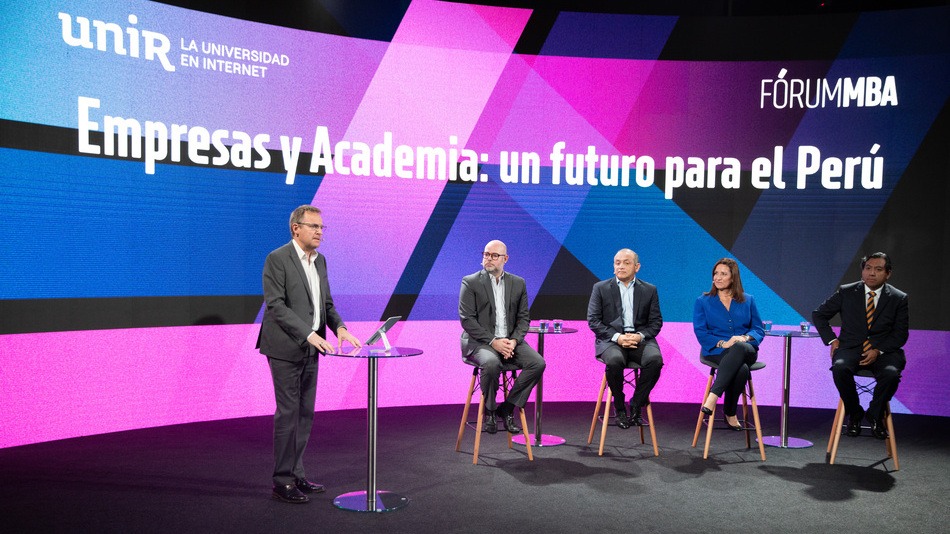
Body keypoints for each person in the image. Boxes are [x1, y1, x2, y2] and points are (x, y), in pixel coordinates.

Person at [257, 205, 362, 504]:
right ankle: (281, 481)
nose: (319, 232)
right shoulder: (277, 259)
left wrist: (339, 328)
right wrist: (309, 334)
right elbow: (276, 306)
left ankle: (297, 473)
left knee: (305, 414)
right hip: (285, 348)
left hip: (313, 349)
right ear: (296, 228)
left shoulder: (320, 261)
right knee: (288, 414)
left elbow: (326, 304)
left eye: (321, 228)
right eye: (313, 226)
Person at [812, 252, 908, 440]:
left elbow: (900, 334)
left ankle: (875, 414)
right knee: (839, 368)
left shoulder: (898, 298)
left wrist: (878, 350)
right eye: (868, 268)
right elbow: (819, 314)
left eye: (878, 269)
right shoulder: (847, 291)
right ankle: (854, 413)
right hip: (851, 348)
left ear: (888, 274)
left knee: (891, 374)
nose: (871, 273)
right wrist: (832, 340)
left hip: (884, 351)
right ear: (863, 271)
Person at [459, 240, 546, 435]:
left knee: (537, 363)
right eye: (486, 254)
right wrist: (494, 342)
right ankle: (490, 410)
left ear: (505, 259)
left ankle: (507, 407)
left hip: (509, 341)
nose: (488, 258)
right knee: (491, 363)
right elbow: (467, 320)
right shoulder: (470, 281)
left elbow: (524, 319)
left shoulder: (518, 283)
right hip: (480, 342)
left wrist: (513, 341)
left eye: (494, 255)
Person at [587, 249, 664, 428]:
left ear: (637, 267)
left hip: (640, 339)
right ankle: (619, 406)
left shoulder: (649, 290)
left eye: (626, 262)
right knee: (614, 361)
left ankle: (636, 403)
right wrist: (618, 337)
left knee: (655, 361)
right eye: (617, 262)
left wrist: (639, 336)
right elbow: (593, 320)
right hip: (611, 340)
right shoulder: (600, 288)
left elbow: (656, 322)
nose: (620, 266)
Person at [693, 258, 764, 431]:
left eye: (723, 274)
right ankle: (730, 412)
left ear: (733, 278)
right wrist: (724, 343)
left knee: (739, 347)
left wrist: (743, 339)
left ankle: (713, 396)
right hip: (717, 350)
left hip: (746, 349)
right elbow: (701, 332)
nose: (718, 278)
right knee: (742, 369)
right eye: (716, 274)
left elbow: (758, 330)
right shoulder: (703, 301)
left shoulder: (748, 300)